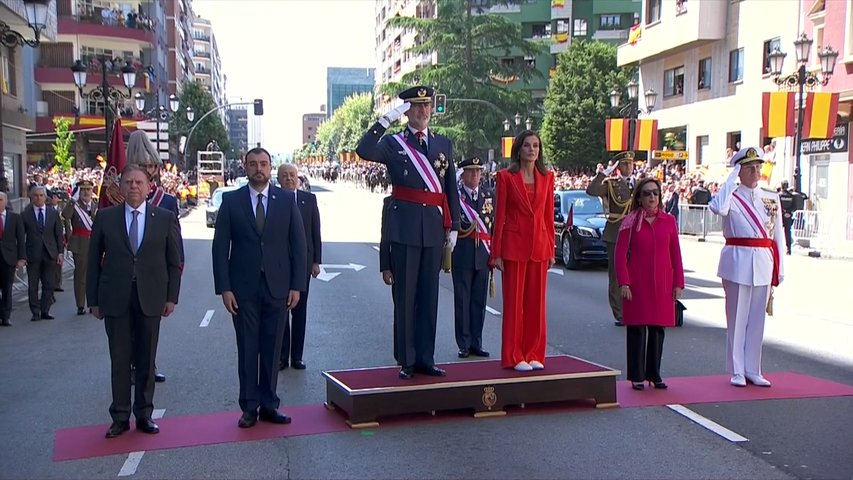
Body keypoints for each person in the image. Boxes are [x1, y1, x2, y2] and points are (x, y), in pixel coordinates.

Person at [356, 85, 461, 379]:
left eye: (426, 106)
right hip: (403, 230)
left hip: (432, 229)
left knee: (429, 296)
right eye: (415, 106)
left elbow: (450, 186)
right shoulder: (393, 144)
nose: (423, 111)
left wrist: (453, 226)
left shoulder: (443, 144)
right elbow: (363, 150)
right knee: (405, 297)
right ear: (406, 112)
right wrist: (386, 119)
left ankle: (426, 357)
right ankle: (407, 359)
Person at [212, 147, 307, 428]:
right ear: (245, 167)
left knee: (272, 346)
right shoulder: (231, 201)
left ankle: (269, 403)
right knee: (247, 348)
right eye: (253, 164)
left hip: (278, 287)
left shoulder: (286, 200)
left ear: (270, 166)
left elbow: (298, 246)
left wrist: (296, 285)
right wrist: (224, 288)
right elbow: (220, 249)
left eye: (263, 164)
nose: (259, 169)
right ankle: (249, 407)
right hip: (243, 289)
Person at [87, 165, 182, 438]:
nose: (133, 187)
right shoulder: (105, 217)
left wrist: (171, 297)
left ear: (148, 186)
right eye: (128, 182)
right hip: (115, 297)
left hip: (151, 298)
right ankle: (119, 416)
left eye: (139, 182)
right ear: (120, 186)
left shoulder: (164, 218)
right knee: (119, 359)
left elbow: (173, 262)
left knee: (145, 358)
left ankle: (144, 414)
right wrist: (93, 300)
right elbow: (93, 262)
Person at [709, 146, 785, 388]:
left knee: (756, 320)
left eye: (757, 167)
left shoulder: (770, 198)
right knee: (737, 318)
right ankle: (737, 370)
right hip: (737, 260)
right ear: (739, 170)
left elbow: (779, 236)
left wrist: (780, 269)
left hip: (763, 261)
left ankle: (754, 369)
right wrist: (731, 180)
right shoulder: (730, 197)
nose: (755, 172)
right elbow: (718, 208)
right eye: (749, 167)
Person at [491, 130, 555, 371]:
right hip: (513, 247)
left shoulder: (547, 178)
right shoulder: (506, 177)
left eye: (536, 146)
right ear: (518, 149)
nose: (532, 150)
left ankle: (534, 352)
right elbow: (500, 216)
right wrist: (496, 253)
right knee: (514, 306)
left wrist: (551, 249)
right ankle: (513, 355)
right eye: (527, 145)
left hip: (539, 245)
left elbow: (548, 217)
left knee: (537, 306)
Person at [614, 177, 685, 390]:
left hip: (662, 282)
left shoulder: (669, 220)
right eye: (647, 193)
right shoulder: (630, 221)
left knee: (657, 329)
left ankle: (654, 374)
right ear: (639, 197)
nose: (652, 197)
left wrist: (678, 283)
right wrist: (624, 282)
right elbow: (619, 255)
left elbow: (676, 254)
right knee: (637, 329)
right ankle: (636, 375)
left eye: (655, 193)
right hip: (637, 282)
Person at [126, 130, 183, 383]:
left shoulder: (166, 201)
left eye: (151, 165)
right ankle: (130, 365)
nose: (149, 170)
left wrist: (175, 277)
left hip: (155, 274)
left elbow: (175, 244)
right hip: (126, 273)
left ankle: (148, 365)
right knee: (127, 328)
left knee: (149, 329)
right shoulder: (121, 195)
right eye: (143, 165)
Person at [276, 164, 321, 371]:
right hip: (280, 264)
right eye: (285, 176)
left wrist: (316, 262)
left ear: (298, 178)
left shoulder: (308, 200)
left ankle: (297, 357)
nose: (289, 179)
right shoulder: (273, 200)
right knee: (282, 311)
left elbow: (316, 232)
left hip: (303, 264)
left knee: (300, 311)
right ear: (278, 179)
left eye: (292, 175)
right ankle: (282, 357)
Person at [586, 151, 635, 326]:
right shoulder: (611, 184)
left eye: (630, 164)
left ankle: (635, 309)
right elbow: (591, 190)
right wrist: (604, 172)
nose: (628, 167)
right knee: (616, 275)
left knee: (637, 273)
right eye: (624, 164)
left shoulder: (641, 184)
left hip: (636, 235)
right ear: (618, 167)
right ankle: (620, 313)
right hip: (616, 232)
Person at [452, 156, 493, 359]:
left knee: (479, 301)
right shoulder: (456, 197)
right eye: (471, 171)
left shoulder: (488, 195)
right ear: (463, 175)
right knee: (463, 301)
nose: (475, 175)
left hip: (483, 255)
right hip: (462, 254)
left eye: (478, 171)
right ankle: (464, 343)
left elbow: (494, 225)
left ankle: (477, 341)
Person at [22, 186, 64, 322]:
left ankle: (45, 310)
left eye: (41, 195)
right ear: (32, 198)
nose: (38, 198)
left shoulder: (53, 213)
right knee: (33, 285)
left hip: (50, 253)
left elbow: (58, 234)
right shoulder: (26, 214)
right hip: (33, 254)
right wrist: (22, 256)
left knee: (49, 284)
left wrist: (60, 253)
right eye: (36, 195)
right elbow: (21, 236)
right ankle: (35, 311)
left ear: (46, 198)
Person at [62, 180, 98, 315]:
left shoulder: (96, 205)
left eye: (88, 190)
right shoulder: (74, 205)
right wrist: (72, 201)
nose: (86, 193)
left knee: (94, 274)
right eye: (83, 190)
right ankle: (80, 304)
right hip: (80, 243)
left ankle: (93, 303)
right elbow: (65, 215)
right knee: (81, 275)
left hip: (94, 242)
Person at [0, 192, 26, 326]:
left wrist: (21, 258)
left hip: (8, 258)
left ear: (5, 202)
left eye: (0, 200)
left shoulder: (15, 218)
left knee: (7, 288)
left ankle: (6, 316)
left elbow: (21, 239)